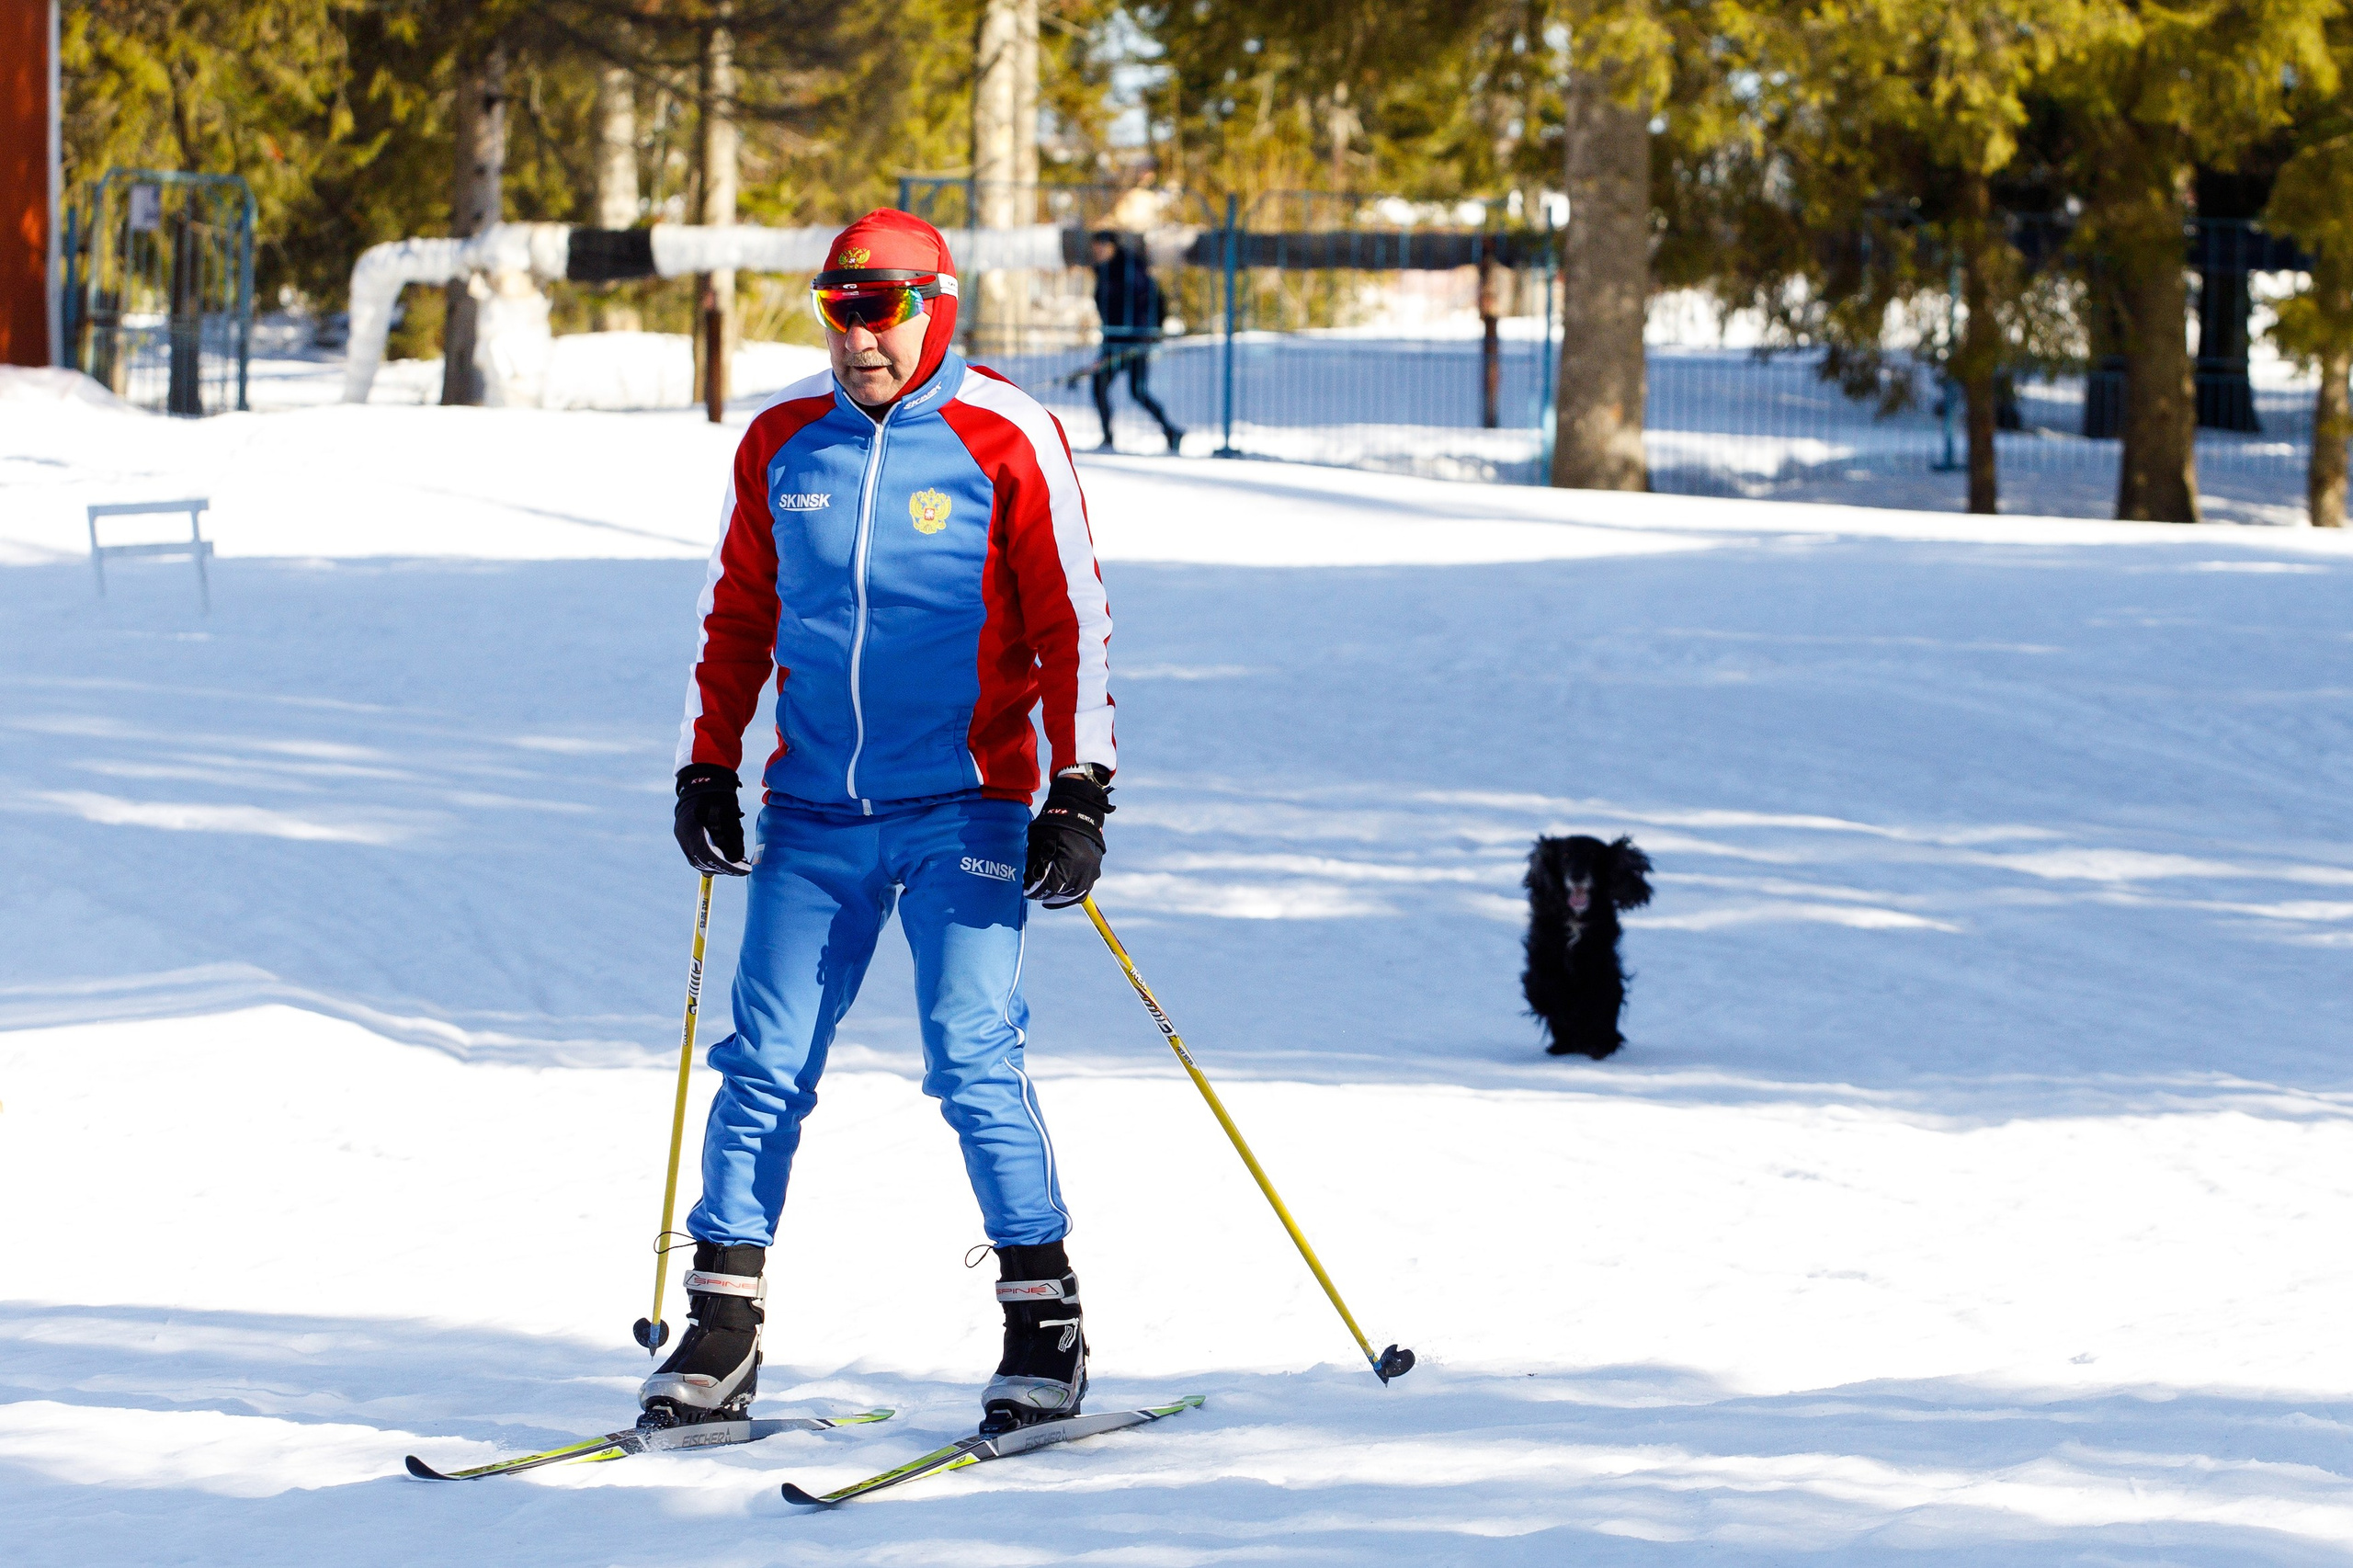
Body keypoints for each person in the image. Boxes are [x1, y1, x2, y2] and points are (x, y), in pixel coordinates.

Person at [649, 209, 1117, 1438]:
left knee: (972, 1053)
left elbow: (1074, 617)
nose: (862, 337)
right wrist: (709, 764)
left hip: (964, 800)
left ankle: (1043, 1326)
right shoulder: (779, 443)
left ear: (939, 305)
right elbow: (740, 617)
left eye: (885, 309)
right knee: (763, 1064)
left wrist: (1080, 788)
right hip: (812, 809)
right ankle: (722, 1329)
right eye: (840, 310)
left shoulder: (1004, 434)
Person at [1088, 229, 1184, 454]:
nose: (1099, 252)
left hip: (1135, 342)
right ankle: (1108, 437)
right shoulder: (1103, 272)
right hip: (1113, 342)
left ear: (1113, 247)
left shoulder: (1130, 269)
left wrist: (1147, 334)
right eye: (1096, 248)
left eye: (1103, 247)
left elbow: (1149, 301)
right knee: (1100, 385)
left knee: (1138, 391)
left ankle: (1171, 431)